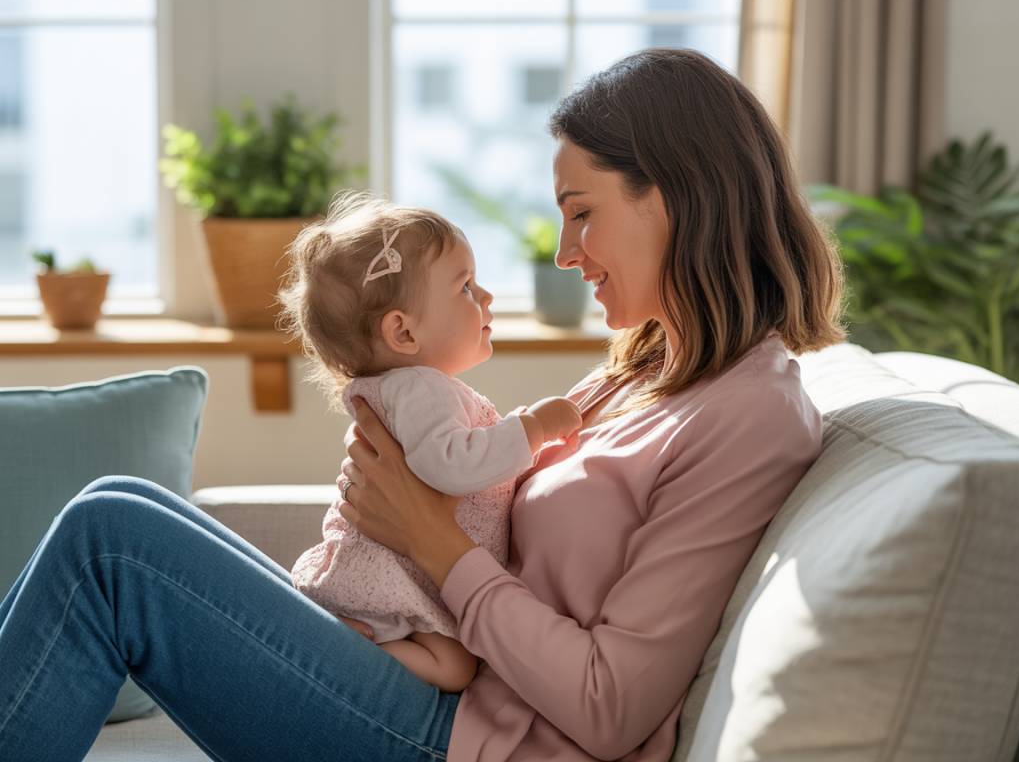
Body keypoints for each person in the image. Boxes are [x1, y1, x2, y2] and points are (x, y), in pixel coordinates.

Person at [0, 48, 844, 762]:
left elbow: (608, 705)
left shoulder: (751, 416)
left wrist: (434, 544)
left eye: (581, 212)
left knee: (111, 546)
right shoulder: (648, 370)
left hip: (472, 736)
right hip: (441, 689)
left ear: (676, 192)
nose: (563, 251)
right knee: (118, 504)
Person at [280, 192, 582, 692]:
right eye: (465, 287)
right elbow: (451, 465)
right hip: (391, 583)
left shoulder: (414, 388)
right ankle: (348, 645)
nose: (485, 297)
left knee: (456, 665)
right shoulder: (419, 387)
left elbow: (455, 458)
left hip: (408, 576)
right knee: (454, 669)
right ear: (401, 331)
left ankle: (346, 644)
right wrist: (534, 430)